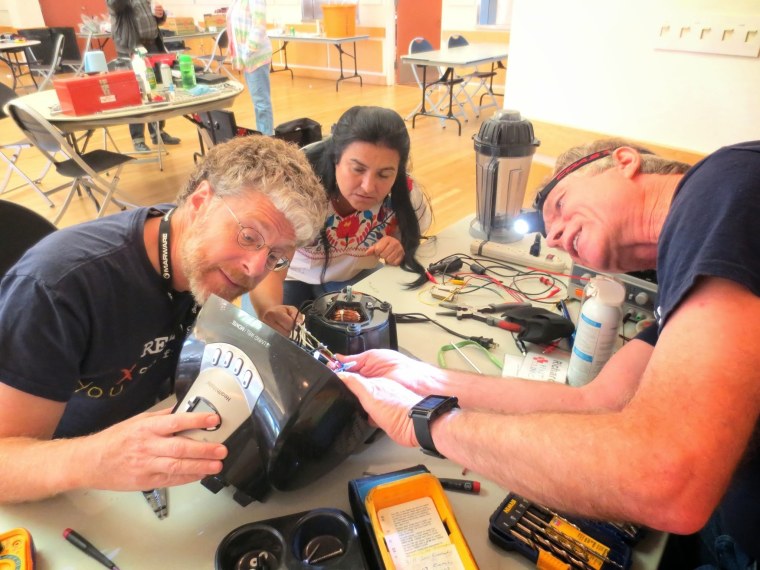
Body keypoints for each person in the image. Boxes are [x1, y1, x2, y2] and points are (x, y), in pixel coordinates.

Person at [336, 139, 760, 568]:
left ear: (624, 163)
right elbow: (596, 401)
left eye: (559, 202)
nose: (554, 237)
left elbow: (667, 479)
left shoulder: (723, 184)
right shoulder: (686, 278)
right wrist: (429, 380)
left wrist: (429, 424)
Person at [0, 136, 327, 503]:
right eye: (249, 236)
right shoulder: (57, 287)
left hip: (154, 452)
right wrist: (96, 457)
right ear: (201, 202)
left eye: (275, 258)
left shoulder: (199, 255)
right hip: (66, 488)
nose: (255, 268)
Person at [248, 106, 432, 336]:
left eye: (384, 175)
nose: (368, 186)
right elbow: (269, 264)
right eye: (357, 169)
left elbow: (410, 247)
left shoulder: (405, 195)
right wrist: (270, 309)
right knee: (273, 336)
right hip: (291, 276)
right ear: (335, 159)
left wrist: (399, 249)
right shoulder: (297, 187)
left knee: (378, 333)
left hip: (352, 277)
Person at [106, 0, 182, 152]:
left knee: (158, 90)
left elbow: (150, 17)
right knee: (137, 94)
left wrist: (160, 15)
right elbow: (115, 5)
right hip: (132, 48)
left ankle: (157, 132)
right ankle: (138, 139)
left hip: (152, 46)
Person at [227, 0, 274, 136]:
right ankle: (263, 136)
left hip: (255, 57)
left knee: (261, 104)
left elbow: (259, 27)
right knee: (258, 103)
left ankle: (266, 140)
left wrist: (247, 52)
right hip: (248, 58)